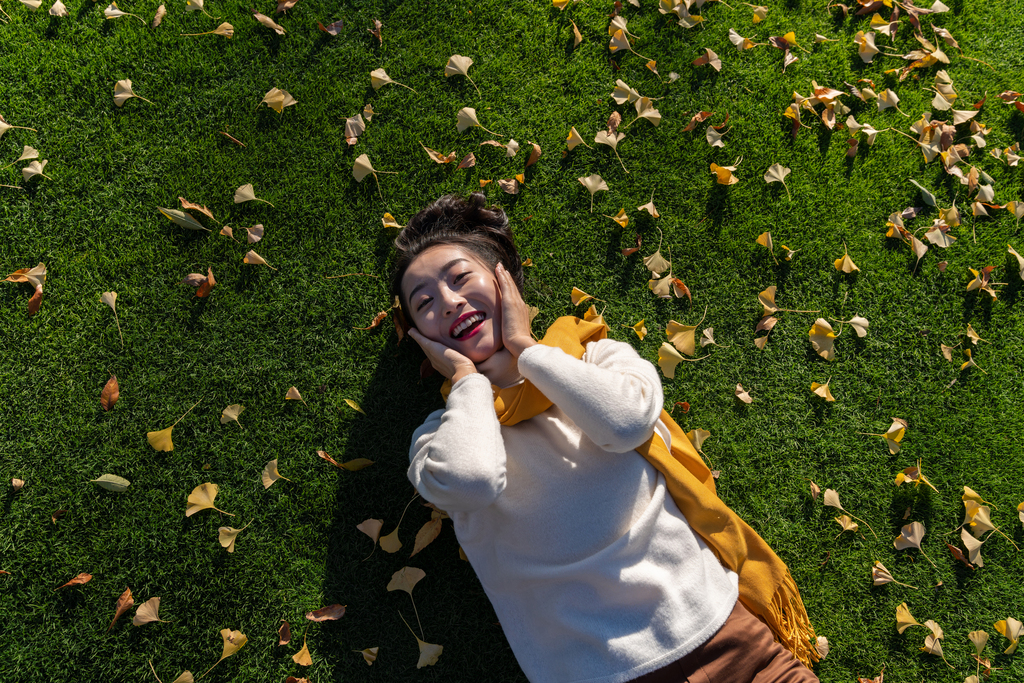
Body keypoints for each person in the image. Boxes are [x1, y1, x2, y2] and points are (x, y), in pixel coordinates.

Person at [391, 192, 821, 683]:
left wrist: (527, 349)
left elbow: (624, 424)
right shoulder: (439, 440)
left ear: (503, 278)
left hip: (729, 642)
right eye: (423, 303)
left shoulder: (593, 357)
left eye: (460, 277)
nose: (449, 302)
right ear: (421, 338)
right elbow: (474, 481)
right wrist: (467, 381)